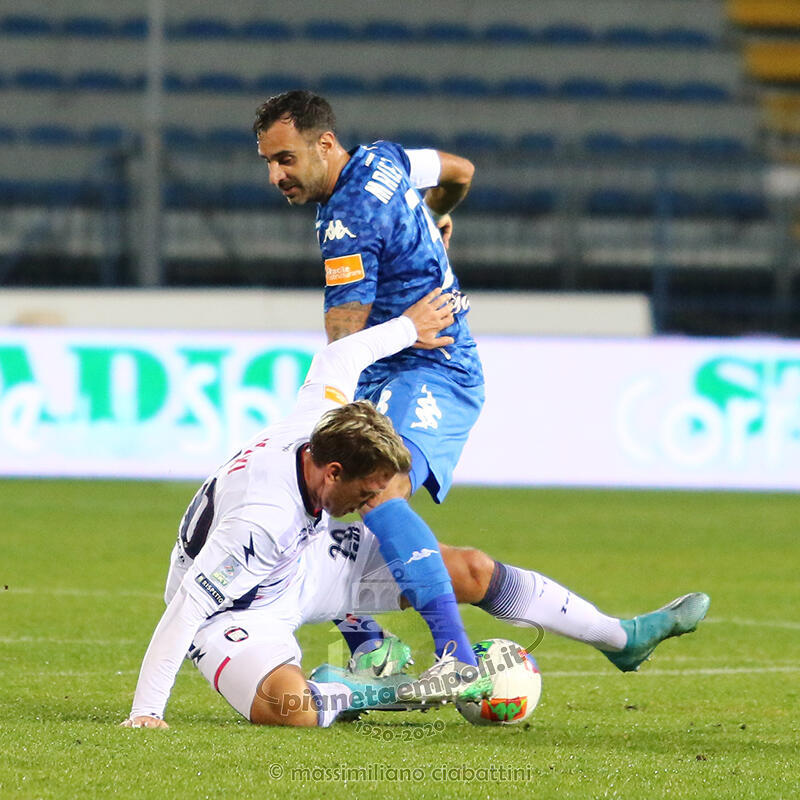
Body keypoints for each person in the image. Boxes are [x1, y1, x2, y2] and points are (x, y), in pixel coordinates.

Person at [122, 291, 711, 729]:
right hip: (234, 609)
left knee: (470, 569)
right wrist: (147, 712)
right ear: (333, 473)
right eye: (367, 495)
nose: (371, 507)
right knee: (293, 708)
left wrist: (410, 326)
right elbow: (186, 607)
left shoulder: (319, 421)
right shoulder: (261, 520)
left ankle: (621, 636)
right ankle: (380, 691)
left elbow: (341, 356)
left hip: (304, 565)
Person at [253, 89, 484, 669]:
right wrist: (435, 216)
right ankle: (372, 648)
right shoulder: (387, 157)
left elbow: (342, 338)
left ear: (324, 144)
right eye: (269, 162)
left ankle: (455, 657)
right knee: (321, 494)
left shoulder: (345, 221)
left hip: (431, 368)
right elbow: (460, 171)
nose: (276, 176)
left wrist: (399, 329)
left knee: (376, 486)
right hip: (391, 371)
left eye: (285, 159)